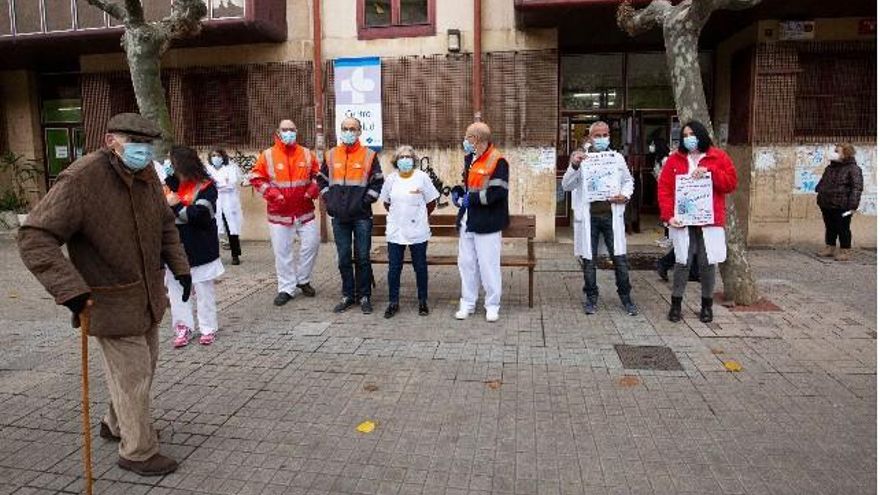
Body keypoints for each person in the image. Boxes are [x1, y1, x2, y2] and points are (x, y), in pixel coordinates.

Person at [18, 113, 189, 476]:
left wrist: (181, 269)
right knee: (134, 377)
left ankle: (116, 423)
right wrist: (70, 290)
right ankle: (138, 451)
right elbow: (35, 237)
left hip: (146, 298)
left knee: (140, 372)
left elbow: (165, 225)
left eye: (148, 144)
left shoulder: (145, 175)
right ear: (111, 140)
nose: (143, 151)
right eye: (135, 142)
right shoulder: (82, 178)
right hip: (107, 300)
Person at [658, 120, 738, 323]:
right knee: (682, 261)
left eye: (691, 134)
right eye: (684, 135)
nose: (688, 138)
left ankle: (706, 305)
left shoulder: (718, 157)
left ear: (701, 135)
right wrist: (668, 216)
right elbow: (665, 189)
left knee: (707, 262)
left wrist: (711, 174)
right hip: (682, 220)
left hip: (709, 221)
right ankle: (676, 304)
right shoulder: (675, 160)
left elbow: (730, 183)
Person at [562, 121, 639, 316]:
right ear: (590, 137)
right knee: (589, 260)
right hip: (590, 217)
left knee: (619, 259)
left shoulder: (617, 158)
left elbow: (628, 181)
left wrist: (625, 195)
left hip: (611, 215)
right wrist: (574, 165)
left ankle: (626, 298)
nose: (602, 138)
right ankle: (591, 298)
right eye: (597, 135)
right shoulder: (582, 159)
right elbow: (566, 186)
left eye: (605, 135)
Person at [250, 120, 321, 306]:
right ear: (278, 132)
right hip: (279, 213)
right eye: (285, 130)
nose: (288, 132)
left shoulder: (307, 153)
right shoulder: (267, 155)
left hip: (304, 211)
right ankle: (286, 288)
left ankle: (303, 279)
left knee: (312, 244)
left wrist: (312, 191)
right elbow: (256, 178)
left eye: (292, 129)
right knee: (283, 252)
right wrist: (274, 194)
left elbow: (318, 175)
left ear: (296, 132)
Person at [317, 117, 384, 314]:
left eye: (352, 128)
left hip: (362, 217)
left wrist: (364, 203)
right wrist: (329, 200)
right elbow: (321, 180)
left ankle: (364, 296)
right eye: (345, 128)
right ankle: (348, 295)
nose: (348, 132)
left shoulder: (369, 155)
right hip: (339, 218)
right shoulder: (331, 155)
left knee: (362, 257)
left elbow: (377, 183)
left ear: (359, 131)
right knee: (344, 258)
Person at [164, 146, 224, 347]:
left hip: (200, 247)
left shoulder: (206, 186)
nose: (169, 167)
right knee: (176, 290)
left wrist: (177, 207)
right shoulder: (168, 186)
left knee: (203, 290)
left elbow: (201, 216)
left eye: (171, 163)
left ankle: (207, 327)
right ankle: (183, 327)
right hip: (174, 249)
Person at [452, 122, 509, 323]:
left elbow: (498, 192)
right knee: (466, 263)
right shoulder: (470, 158)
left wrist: (472, 199)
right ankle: (467, 303)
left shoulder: (498, 160)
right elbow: (468, 185)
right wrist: (458, 192)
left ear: (476, 139)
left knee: (488, 265)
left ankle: (492, 305)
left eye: (467, 137)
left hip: (488, 222)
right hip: (468, 220)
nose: (465, 140)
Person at [379, 146, 440, 318]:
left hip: (418, 230)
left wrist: (419, 216)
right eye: (401, 157)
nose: (405, 160)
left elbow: (431, 202)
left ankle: (422, 301)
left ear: (414, 160)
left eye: (408, 157)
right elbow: (386, 202)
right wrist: (400, 216)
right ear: (396, 161)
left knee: (420, 267)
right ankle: (393, 302)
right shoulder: (391, 179)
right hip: (396, 231)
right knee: (394, 268)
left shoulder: (422, 177)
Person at [815, 143, 863, 262]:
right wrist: (820, 190)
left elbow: (856, 188)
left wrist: (853, 205)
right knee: (830, 226)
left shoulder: (853, 169)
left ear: (845, 154)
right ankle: (830, 247)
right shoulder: (830, 168)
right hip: (827, 203)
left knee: (843, 227)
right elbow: (823, 181)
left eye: (837, 151)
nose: (834, 153)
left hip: (843, 205)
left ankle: (845, 250)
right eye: (835, 150)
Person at [208, 148, 243, 265]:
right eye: (213, 155)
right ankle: (214, 256)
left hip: (229, 202)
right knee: (213, 229)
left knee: (231, 229)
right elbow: (206, 185)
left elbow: (231, 185)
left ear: (223, 157)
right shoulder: (208, 170)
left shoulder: (230, 169)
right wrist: (221, 185)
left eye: (218, 155)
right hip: (214, 202)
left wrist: (217, 186)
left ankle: (235, 255)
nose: (216, 158)